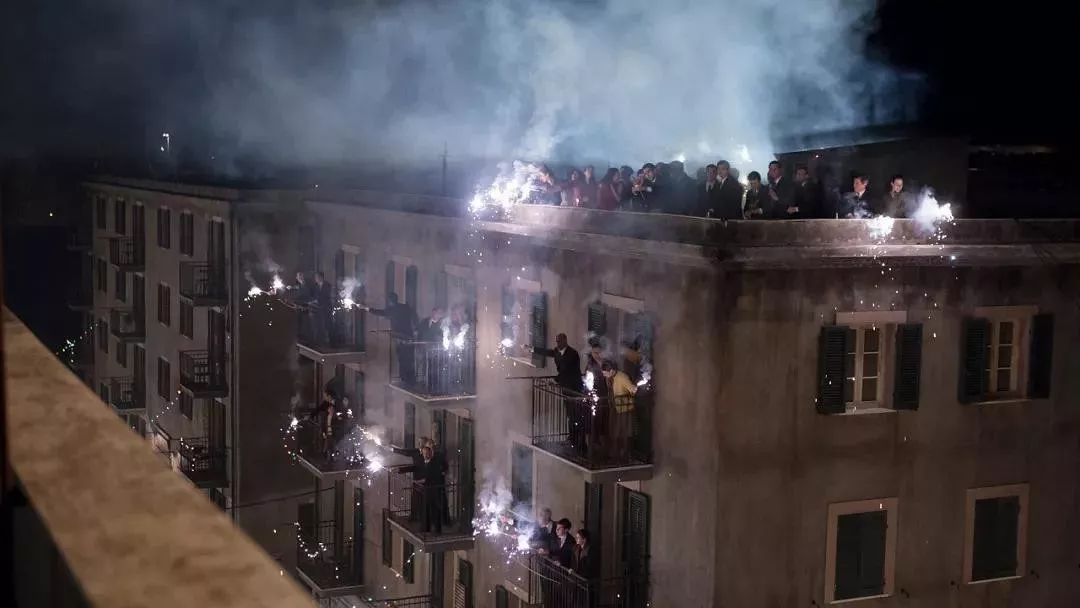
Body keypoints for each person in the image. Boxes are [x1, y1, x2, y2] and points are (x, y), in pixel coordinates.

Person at [372, 293, 418, 385]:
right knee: (410, 358)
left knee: (402, 358)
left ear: (390, 301)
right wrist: (416, 330)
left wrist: (368, 309)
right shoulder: (405, 307)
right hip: (409, 336)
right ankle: (411, 379)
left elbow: (381, 313)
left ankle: (405, 379)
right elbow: (414, 316)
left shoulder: (392, 309)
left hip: (400, 337)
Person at [601, 360, 637, 462]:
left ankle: (625, 455)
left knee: (625, 432)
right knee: (614, 431)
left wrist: (633, 389)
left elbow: (632, 389)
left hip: (624, 409)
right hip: (615, 408)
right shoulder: (609, 378)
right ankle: (616, 454)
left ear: (611, 371)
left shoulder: (622, 377)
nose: (604, 375)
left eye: (605, 373)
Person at [416, 444, 448, 534]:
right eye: (424, 453)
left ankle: (437, 529)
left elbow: (429, 477)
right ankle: (426, 528)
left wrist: (418, 481)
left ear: (430, 453)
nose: (426, 455)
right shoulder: (424, 463)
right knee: (426, 509)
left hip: (434, 490)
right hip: (427, 490)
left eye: (427, 453)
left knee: (435, 509)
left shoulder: (434, 463)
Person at [311, 271, 335, 345]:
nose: (315, 279)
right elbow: (314, 296)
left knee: (328, 325)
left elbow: (327, 296)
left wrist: (318, 300)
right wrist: (314, 301)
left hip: (326, 308)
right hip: (318, 308)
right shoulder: (315, 286)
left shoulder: (328, 285)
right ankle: (321, 342)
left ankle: (332, 342)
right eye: (315, 277)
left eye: (317, 277)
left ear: (321, 277)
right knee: (319, 325)